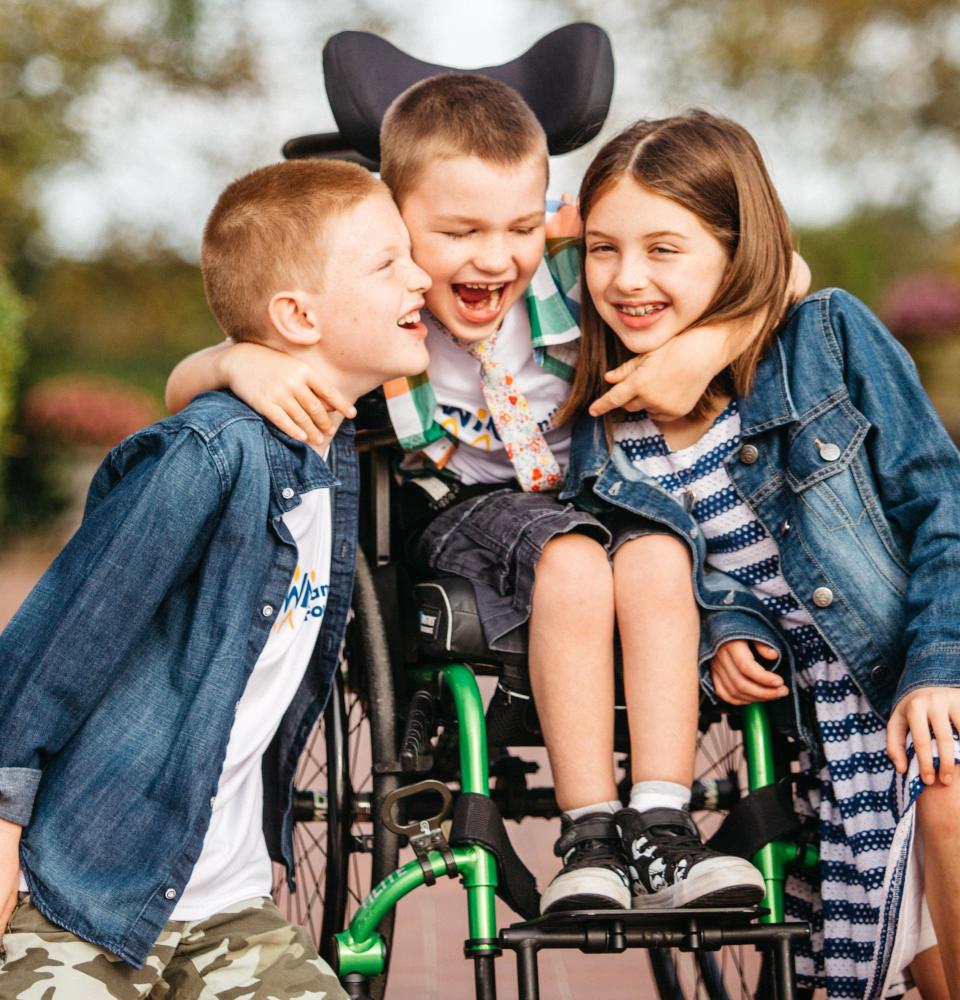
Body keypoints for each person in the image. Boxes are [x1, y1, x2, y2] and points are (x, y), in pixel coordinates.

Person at [165, 75, 810, 916]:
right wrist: (232, 361)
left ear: (548, 215)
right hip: (465, 518)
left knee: (658, 553)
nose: (494, 258)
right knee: (573, 559)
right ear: (392, 225)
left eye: (519, 228)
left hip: (601, 494)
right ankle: (591, 836)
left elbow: (785, 269)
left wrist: (706, 346)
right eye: (459, 232)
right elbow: (185, 387)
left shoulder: (577, 278)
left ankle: (661, 821)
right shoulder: (376, 307)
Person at [0, 157, 432, 998]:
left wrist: (231, 357)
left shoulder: (334, 445)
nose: (420, 275)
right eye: (388, 262)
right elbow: (55, 643)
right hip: (82, 891)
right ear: (298, 315)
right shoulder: (209, 456)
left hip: (227, 906)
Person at [560, 109, 960, 999]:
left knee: (945, 786)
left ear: (737, 253)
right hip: (825, 727)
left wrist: (938, 668)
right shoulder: (611, 429)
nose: (626, 279)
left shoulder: (826, 342)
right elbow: (694, 574)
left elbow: (946, 509)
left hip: (923, 662)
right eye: (601, 249)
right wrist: (727, 632)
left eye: (665, 249)